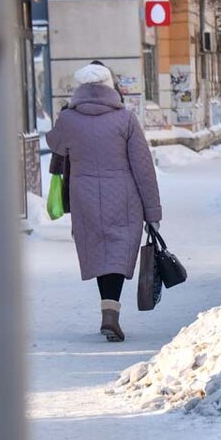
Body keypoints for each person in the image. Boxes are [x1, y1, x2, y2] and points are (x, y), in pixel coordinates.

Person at [45, 63, 161, 342]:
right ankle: (111, 312)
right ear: (110, 86)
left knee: (99, 252)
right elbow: (143, 167)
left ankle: (108, 310)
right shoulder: (126, 119)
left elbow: (55, 144)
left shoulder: (69, 120)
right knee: (118, 254)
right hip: (124, 195)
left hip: (84, 195)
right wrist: (152, 211)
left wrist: (65, 115)